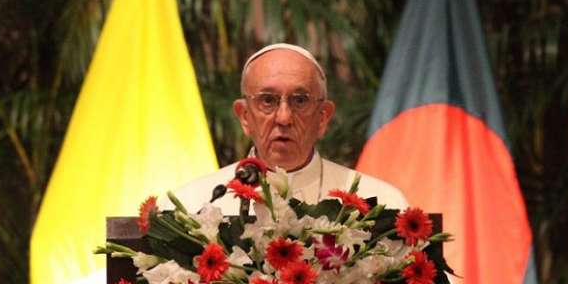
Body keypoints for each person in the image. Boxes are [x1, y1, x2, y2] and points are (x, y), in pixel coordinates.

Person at [170, 43, 408, 214]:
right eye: (267, 100)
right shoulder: (193, 205)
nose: (284, 117)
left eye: (300, 100)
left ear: (323, 117)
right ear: (244, 116)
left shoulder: (381, 204)